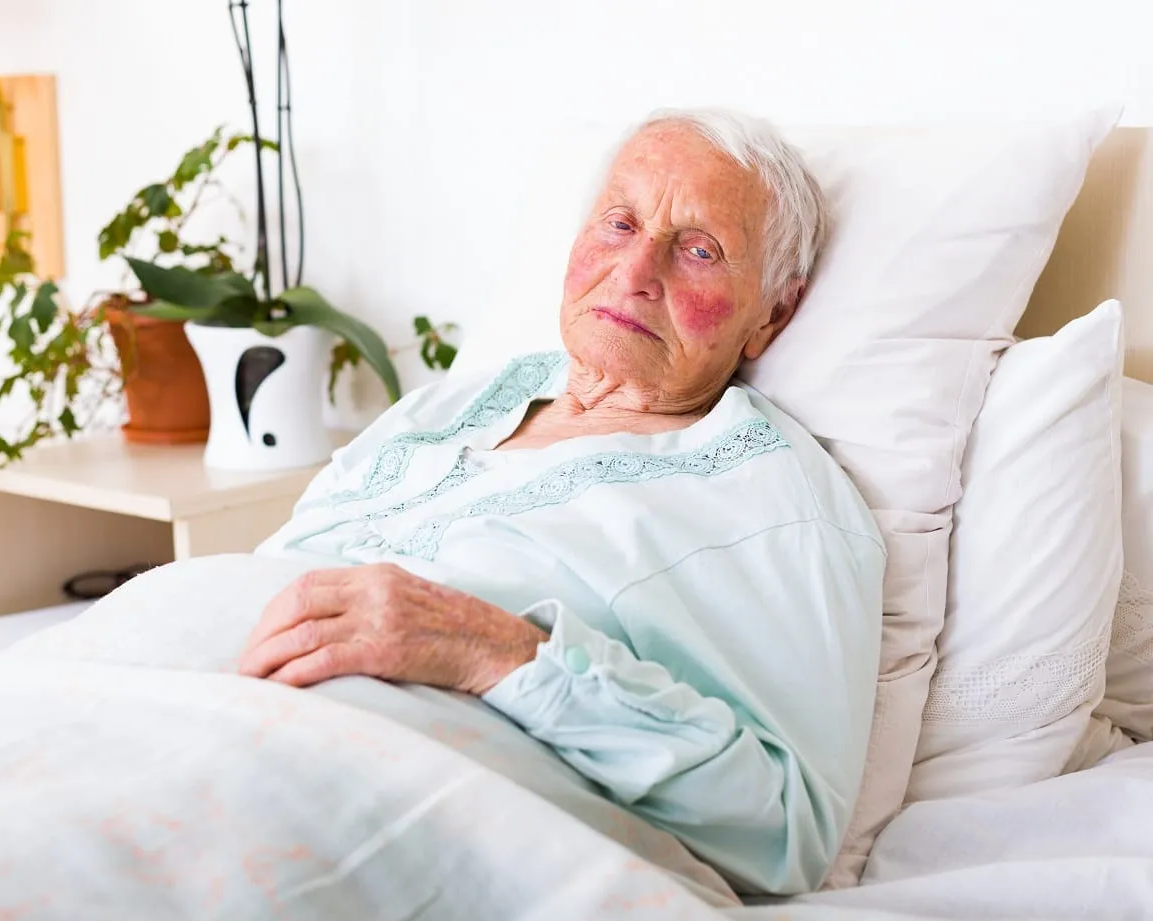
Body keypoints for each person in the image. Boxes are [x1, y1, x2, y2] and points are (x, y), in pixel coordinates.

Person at [243, 108, 885, 895]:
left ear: (772, 314)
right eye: (620, 222)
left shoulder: (776, 502)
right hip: (187, 708)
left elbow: (787, 827)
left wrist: (495, 650)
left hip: (339, 808)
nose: (637, 269)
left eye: (699, 250)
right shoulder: (447, 405)